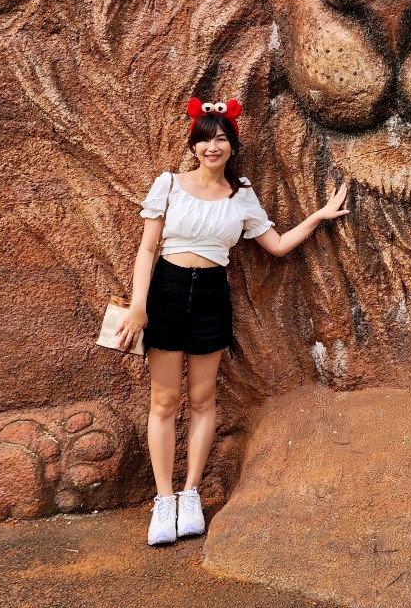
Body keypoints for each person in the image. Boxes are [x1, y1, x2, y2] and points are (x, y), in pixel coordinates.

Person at [116, 97, 349, 546]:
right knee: (164, 401)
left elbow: (276, 246)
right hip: (164, 291)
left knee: (203, 399)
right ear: (194, 144)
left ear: (232, 145)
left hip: (210, 296)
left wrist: (319, 216)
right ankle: (163, 500)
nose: (212, 147)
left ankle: (190, 495)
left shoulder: (241, 196)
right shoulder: (167, 185)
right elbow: (147, 249)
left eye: (220, 138)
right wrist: (138, 306)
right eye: (205, 139)